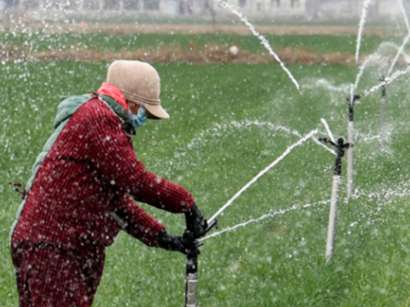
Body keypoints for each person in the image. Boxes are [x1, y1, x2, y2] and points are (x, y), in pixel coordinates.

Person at [10, 60, 207, 307]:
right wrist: (187, 204)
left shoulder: (105, 120)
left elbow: (116, 203)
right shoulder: (98, 118)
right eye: (145, 109)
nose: (145, 118)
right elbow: (135, 180)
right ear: (131, 103)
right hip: (52, 245)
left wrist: (162, 237)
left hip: (65, 244)